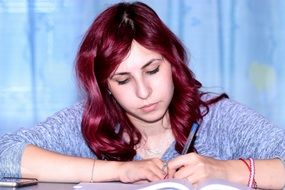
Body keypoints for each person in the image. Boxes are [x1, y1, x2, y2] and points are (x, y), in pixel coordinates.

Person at [0, 1, 284, 189]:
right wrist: (119, 172)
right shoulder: (88, 123)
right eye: (123, 80)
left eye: (152, 70)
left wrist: (224, 170)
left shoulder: (217, 118)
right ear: (105, 86)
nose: (143, 92)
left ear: (173, 62)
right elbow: (5, 156)